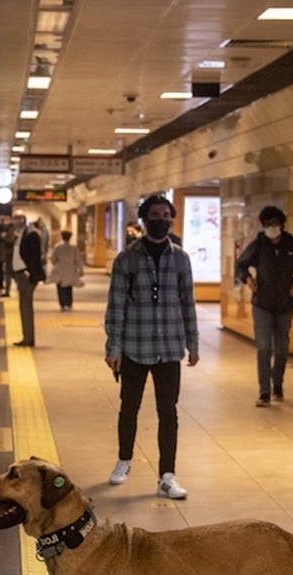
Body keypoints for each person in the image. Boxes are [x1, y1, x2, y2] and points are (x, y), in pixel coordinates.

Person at [104, 195, 199, 500]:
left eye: (166, 215)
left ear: (172, 218)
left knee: (168, 412)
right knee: (129, 408)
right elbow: (115, 307)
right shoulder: (126, 259)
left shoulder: (181, 259)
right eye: (155, 215)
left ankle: (167, 476)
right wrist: (113, 347)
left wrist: (193, 343)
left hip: (169, 350)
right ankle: (124, 459)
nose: (162, 219)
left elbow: (189, 304)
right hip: (134, 347)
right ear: (144, 221)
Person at [234, 205, 293, 407]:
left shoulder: (291, 245)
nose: (272, 228)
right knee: (263, 347)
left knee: (282, 347)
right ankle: (264, 391)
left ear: (282, 225)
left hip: (285, 305)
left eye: (275, 224)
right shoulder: (258, 245)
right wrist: (247, 279)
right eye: (268, 225)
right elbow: (240, 265)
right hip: (262, 304)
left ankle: (277, 384)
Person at [11, 215, 45, 347]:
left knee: (26, 307)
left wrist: (29, 273)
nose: (15, 222)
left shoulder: (31, 235)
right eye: (15, 220)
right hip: (21, 274)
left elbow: (35, 256)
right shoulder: (21, 234)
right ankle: (26, 337)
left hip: (26, 276)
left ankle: (28, 339)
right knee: (23, 306)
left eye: (18, 220)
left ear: (23, 221)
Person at [49, 230, 84, 311]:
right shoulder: (74, 248)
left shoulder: (57, 247)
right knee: (69, 287)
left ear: (62, 236)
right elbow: (78, 260)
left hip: (59, 269)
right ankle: (69, 303)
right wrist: (81, 270)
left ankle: (62, 303)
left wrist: (55, 264)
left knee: (60, 287)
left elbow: (53, 258)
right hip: (70, 269)